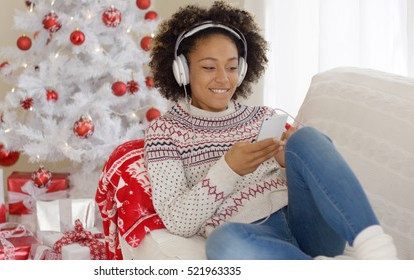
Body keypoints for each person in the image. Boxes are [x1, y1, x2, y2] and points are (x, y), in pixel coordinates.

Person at [144, 1, 398, 260]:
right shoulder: (164, 133)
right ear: (182, 71)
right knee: (224, 243)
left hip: (309, 226)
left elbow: (302, 183)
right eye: (209, 67)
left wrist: (287, 165)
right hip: (252, 236)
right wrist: (227, 170)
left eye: (232, 67)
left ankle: (379, 252)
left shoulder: (263, 116)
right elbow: (177, 221)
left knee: (306, 137)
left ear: (243, 70)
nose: (223, 78)